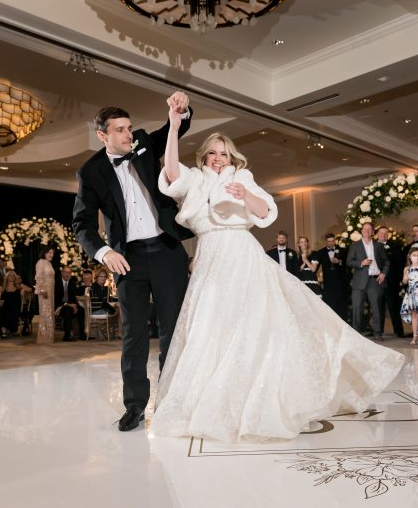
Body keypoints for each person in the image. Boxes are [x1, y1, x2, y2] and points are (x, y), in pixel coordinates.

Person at [150, 111, 403, 442]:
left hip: (241, 252)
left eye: (223, 153)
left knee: (253, 325)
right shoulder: (194, 179)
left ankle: (256, 400)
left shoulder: (242, 177)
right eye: (212, 152)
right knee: (210, 326)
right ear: (203, 156)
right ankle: (210, 401)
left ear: (231, 157)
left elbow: (265, 211)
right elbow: (170, 172)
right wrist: (172, 124)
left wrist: (245, 195)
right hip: (210, 255)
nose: (217, 158)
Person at [72, 91, 194, 432]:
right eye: (120, 130)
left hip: (167, 250)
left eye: (129, 128)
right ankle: (135, 406)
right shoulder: (90, 172)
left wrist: (181, 112)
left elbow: (175, 131)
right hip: (128, 259)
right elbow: (81, 222)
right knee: (134, 334)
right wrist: (104, 252)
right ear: (103, 135)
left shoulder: (142, 143)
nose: (129, 134)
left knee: (174, 330)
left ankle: (173, 400)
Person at [347, 222, 389, 340]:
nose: (367, 231)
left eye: (369, 229)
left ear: (372, 232)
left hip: (374, 281)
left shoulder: (378, 245)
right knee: (357, 307)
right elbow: (349, 262)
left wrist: (383, 273)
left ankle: (377, 332)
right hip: (359, 281)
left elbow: (386, 261)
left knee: (376, 307)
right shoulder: (355, 246)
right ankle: (357, 332)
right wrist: (361, 263)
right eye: (365, 229)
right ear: (362, 231)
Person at [376, 226, 406, 338]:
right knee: (378, 307)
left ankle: (399, 331)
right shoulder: (372, 246)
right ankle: (379, 331)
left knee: (394, 307)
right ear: (377, 234)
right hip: (376, 282)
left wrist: (398, 280)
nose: (383, 235)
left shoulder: (395, 246)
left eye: (385, 233)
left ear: (388, 235)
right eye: (381, 233)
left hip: (391, 282)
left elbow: (400, 265)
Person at [313, 233, 348, 320]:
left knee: (341, 306)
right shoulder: (321, 252)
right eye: (329, 241)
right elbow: (315, 268)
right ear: (326, 242)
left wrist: (339, 262)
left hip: (341, 283)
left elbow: (348, 264)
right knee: (330, 306)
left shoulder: (342, 250)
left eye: (333, 241)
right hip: (328, 284)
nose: (331, 243)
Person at [55, 265, 83, 341]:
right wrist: (68, 305)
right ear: (62, 273)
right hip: (59, 306)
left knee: (81, 309)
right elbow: (56, 299)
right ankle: (67, 335)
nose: (67, 274)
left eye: (69, 272)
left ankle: (82, 334)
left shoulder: (72, 283)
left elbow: (73, 298)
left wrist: (75, 306)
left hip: (69, 306)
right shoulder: (57, 282)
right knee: (67, 309)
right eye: (65, 272)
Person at [34, 246, 55, 344]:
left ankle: (49, 337)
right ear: (44, 253)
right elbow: (38, 277)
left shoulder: (49, 263)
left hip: (51, 291)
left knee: (49, 312)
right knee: (45, 313)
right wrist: (42, 290)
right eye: (49, 253)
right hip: (44, 292)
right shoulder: (41, 262)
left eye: (52, 253)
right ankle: (43, 338)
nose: (51, 255)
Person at [0, 271, 21, 338]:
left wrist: (23, 291)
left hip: (15, 307)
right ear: (7, 277)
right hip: (5, 307)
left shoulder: (18, 287)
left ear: (15, 278)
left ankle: (7, 329)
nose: (11, 277)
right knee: (5, 309)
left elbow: (30, 290)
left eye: (13, 276)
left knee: (12, 310)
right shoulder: (2, 288)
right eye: (10, 275)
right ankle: (5, 329)